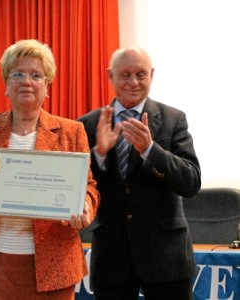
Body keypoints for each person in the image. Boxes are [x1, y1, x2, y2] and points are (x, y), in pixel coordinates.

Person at [0, 39, 99, 300]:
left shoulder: (72, 131)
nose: (27, 80)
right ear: (6, 84)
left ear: (47, 86)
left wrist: (85, 205)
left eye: (36, 75)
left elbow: (89, 188)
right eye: (18, 73)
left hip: (53, 267)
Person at [78, 46, 201, 300]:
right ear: (110, 76)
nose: (134, 82)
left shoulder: (173, 119)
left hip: (166, 259)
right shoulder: (87, 124)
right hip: (112, 259)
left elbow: (191, 182)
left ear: (152, 75)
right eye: (125, 75)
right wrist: (99, 153)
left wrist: (150, 151)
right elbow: (77, 189)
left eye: (141, 74)